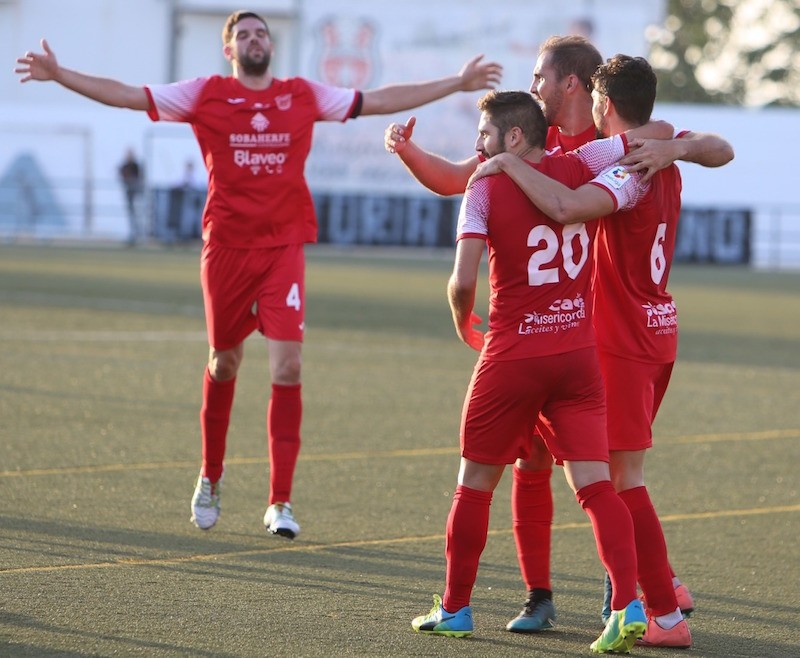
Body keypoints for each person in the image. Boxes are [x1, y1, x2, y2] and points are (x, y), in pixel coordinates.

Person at [14, 10, 503, 538]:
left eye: (261, 33)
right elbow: (129, 95)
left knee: (288, 366)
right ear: (229, 50)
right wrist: (60, 74)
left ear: (271, 45)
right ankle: (211, 475)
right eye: (242, 35)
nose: (253, 39)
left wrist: (458, 81)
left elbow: (377, 101)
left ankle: (281, 501)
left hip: (283, 248)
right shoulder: (203, 95)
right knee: (224, 364)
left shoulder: (301, 94)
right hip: (225, 249)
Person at [467, 55, 734, 648]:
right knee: (615, 476)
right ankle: (654, 592)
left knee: (617, 481)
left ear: (601, 104)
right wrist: (678, 148)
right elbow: (720, 147)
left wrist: (505, 164)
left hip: (621, 339)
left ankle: (662, 608)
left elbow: (564, 208)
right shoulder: (661, 148)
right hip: (659, 327)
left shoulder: (629, 168)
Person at [410, 88, 662, 653]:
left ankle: (454, 608)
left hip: (515, 355)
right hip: (578, 357)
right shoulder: (582, 162)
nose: (478, 147)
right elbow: (650, 135)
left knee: (474, 485)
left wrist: (460, 321)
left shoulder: (484, 186)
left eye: (484, 137)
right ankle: (627, 604)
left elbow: (462, 279)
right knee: (598, 487)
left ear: (514, 137)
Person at [118, 148, 143, 246]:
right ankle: (132, 235)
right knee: (131, 215)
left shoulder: (136, 165)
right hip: (129, 193)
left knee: (137, 214)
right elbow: (122, 175)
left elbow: (139, 177)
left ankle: (137, 235)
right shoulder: (125, 165)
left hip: (136, 193)